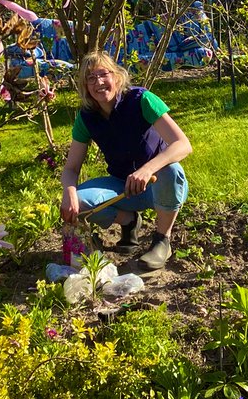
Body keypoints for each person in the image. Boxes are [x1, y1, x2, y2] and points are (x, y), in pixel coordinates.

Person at [60, 50, 192, 272]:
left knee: (172, 170)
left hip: (159, 184)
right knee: (79, 202)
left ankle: (162, 240)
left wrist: (147, 169)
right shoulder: (86, 118)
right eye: (91, 78)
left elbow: (182, 144)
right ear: (85, 87)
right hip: (123, 187)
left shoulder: (142, 100)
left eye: (104, 74)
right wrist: (69, 191)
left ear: (117, 76)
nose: (98, 82)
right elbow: (71, 168)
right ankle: (128, 220)